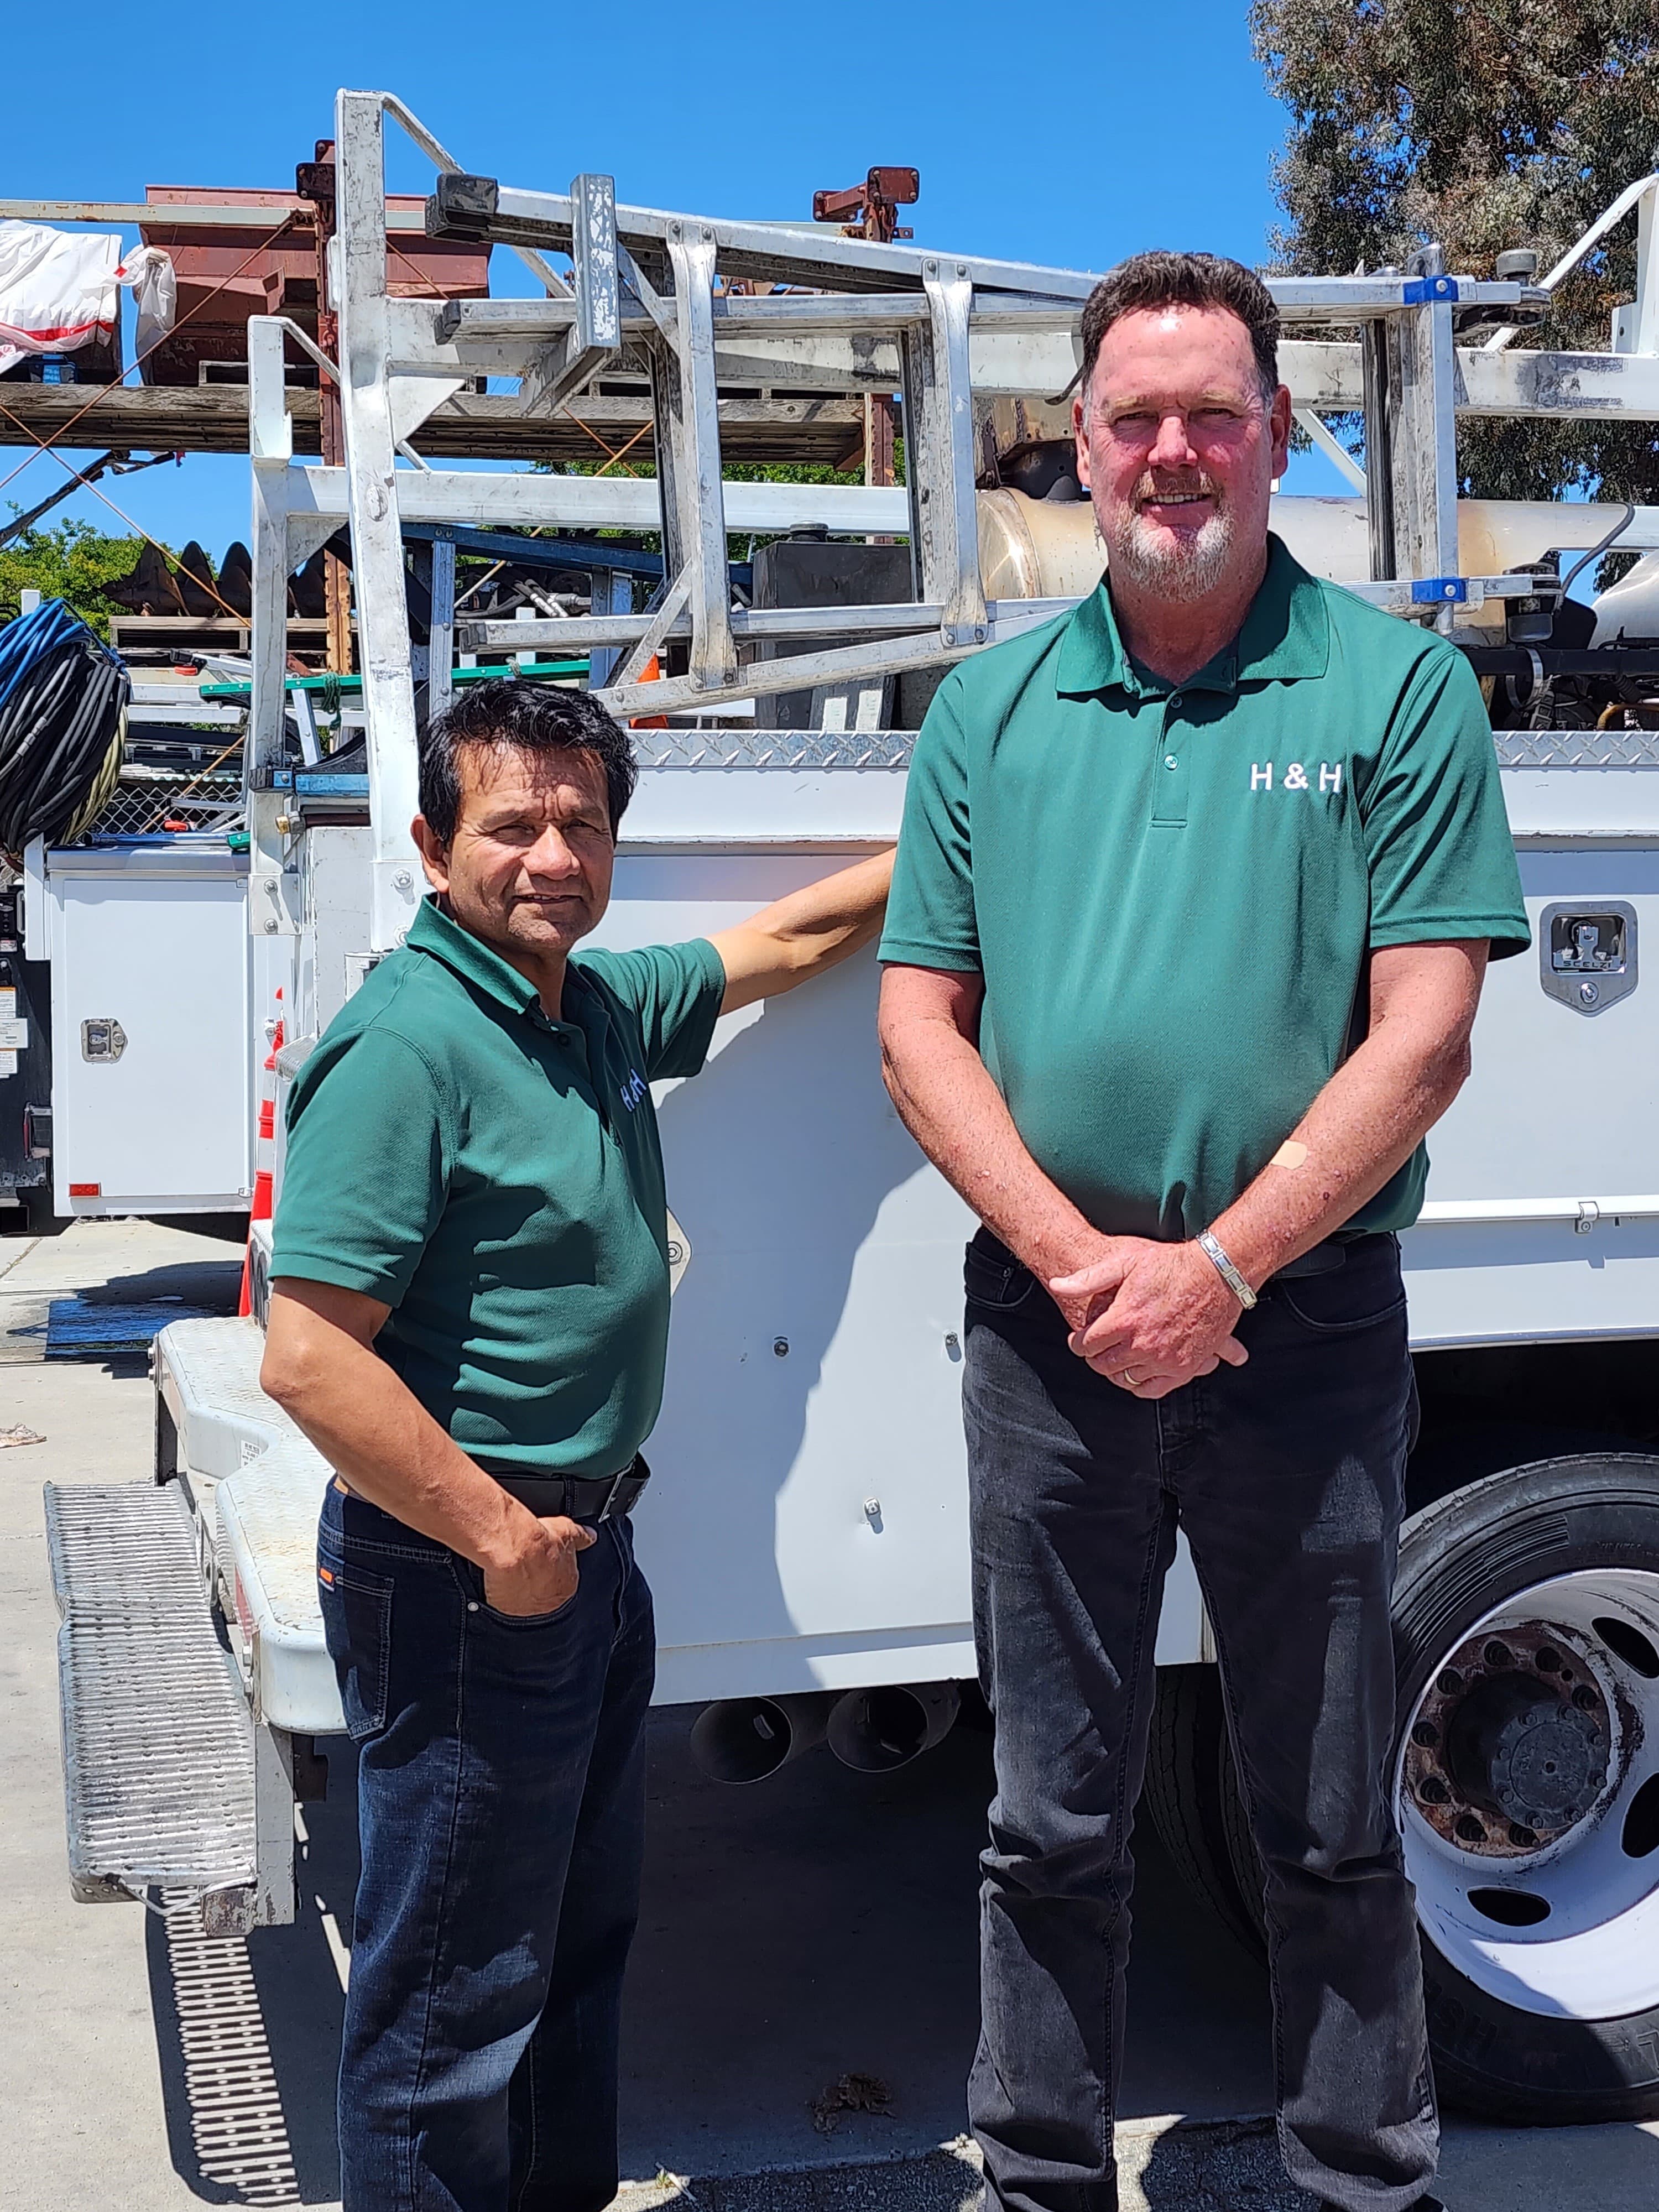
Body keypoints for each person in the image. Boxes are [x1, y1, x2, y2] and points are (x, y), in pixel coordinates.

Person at [877, 251, 1529, 2212]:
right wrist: (1089, 1274)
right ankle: (1039, 2176)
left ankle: (1361, 2176)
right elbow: (922, 1026)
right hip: (1048, 1343)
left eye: (1215, 414)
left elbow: (1424, 1034)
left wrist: (1222, 1266)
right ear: (1078, 444)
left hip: (1303, 1339)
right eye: (1137, 417)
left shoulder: (1394, 688)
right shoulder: (988, 709)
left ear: (1272, 436)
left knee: (1327, 1818)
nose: (1176, 451)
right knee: (1045, 1816)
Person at [259, 679, 893, 2212]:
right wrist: (500, 1544)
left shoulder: (582, 1009)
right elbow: (309, 1355)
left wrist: (976, 815)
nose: (552, 855)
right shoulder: (409, 1045)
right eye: (512, 825)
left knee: (568, 1942)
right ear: (430, 845)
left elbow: (794, 941)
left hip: (581, 1554)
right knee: (451, 1993)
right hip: (472, 1576)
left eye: (582, 824)